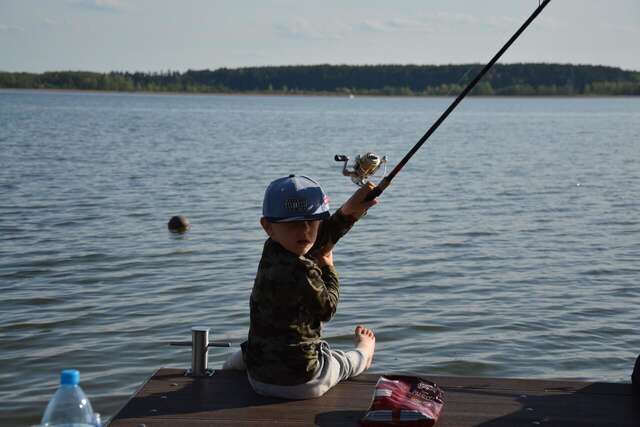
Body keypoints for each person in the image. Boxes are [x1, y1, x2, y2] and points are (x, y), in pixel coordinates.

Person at [222, 174, 378, 399]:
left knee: (249, 350)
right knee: (341, 363)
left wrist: (349, 212)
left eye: (311, 221)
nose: (304, 230)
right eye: (294, 223)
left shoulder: (272, 248)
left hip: (257, 377)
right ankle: (363, 353)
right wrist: (329, 269)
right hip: (304, 382)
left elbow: (318, 239)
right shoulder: (305, 270)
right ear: (268, 227)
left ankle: (224, 372)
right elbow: (328, 309)